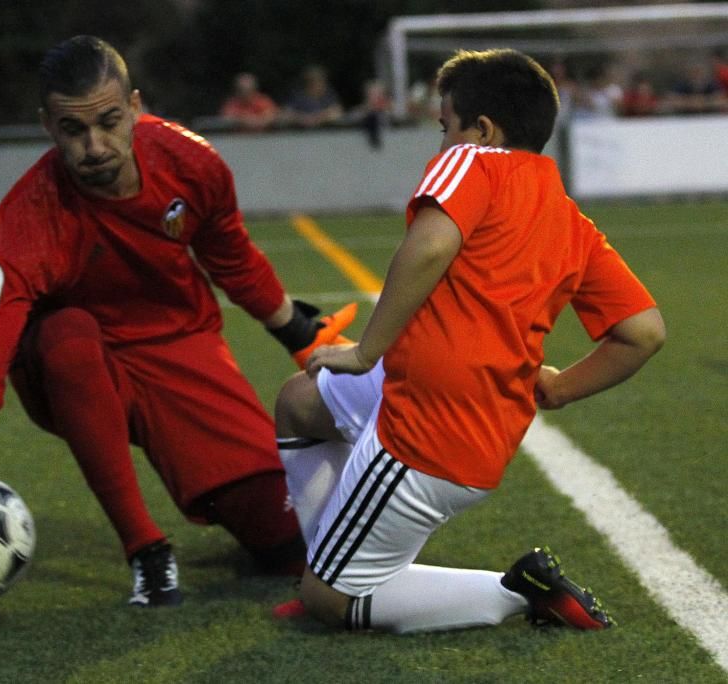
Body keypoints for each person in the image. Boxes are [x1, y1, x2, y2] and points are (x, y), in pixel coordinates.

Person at [0, 36, 356, 606]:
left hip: (179, 346)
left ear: (135, 106)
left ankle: (239, 504)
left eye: (109, 122)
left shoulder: (192, 162)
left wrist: (303, 338)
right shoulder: (28, 221)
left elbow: (231, 257)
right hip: (76, 371)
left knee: (289, 544)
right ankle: (146, 552)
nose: (94, 146)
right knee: (66, 335)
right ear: (47, 126)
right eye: (73, 130)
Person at [272, 48, 665, 634]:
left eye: (444, 127)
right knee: (300, 403)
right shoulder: (570, 219)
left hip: (431, 429)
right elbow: (644, 332)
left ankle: (514, 592)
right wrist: (557, 390)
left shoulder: (475, 163)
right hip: (454, 409)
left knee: (328, 603)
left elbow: (430, 247)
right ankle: (328, 561)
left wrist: (364, 352)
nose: (441, 144)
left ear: (482, 130)